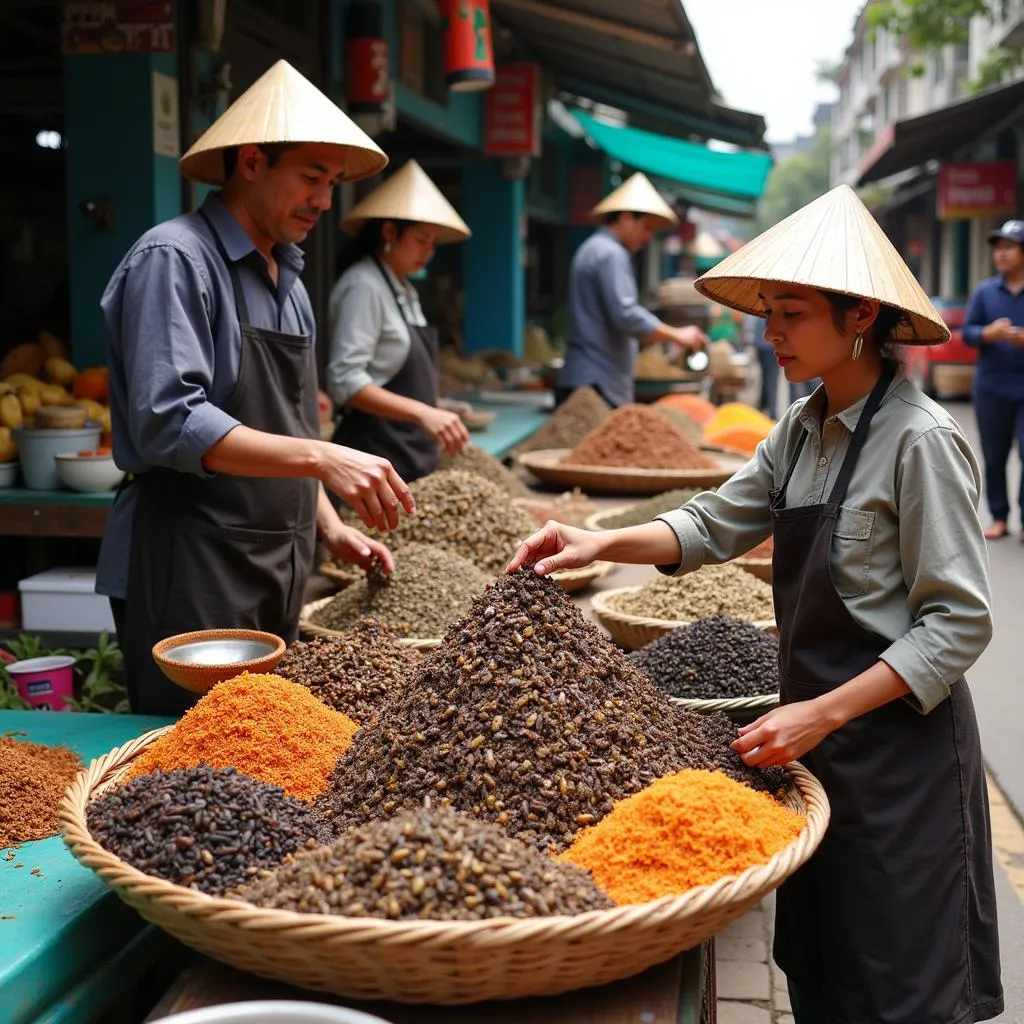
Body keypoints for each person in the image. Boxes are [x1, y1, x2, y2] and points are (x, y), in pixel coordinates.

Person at [509, 184, 1003, 1024]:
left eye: (792, 313)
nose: (769, 332)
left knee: (900, 986)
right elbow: (709, 520)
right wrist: (595, 543)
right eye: (768, 311)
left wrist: (822, 714)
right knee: (822, 970)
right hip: (816, 752)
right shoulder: (803, 428)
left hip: (896, 756)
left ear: (859, 318)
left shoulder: (919, 441)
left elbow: (958, 624)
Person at [96, 60, 416, 717]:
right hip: (192, 565)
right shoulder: (176, 260)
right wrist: (325, 459)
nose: (325, 201)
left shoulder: (290, 284)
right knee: (189, 768)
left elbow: (289, 430)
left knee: (260, 763)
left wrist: (327, 524)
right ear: (249, 163)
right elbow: (169, 421)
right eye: (310, 176)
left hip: (277, 564)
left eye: (331, 182)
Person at [328, 159, 470, 482]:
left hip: (409, 457)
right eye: (422, 240)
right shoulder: (363, 284)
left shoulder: (404, 289)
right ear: (390, 231)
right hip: (372, 457)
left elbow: (392, 374)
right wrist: (423, 412)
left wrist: (441, 407)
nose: (429, 252)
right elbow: (345, 380)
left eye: (433, 243)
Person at [556, 172, 708, 407]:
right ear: (626, 217)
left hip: (588, 377)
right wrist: (678, 335)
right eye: (646, 227)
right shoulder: (610, 253)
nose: (648, 237)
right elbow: (625, 315)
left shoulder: (593, 248)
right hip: (597, 381)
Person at [963, 218, 1024, 540]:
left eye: (1009, 247)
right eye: (998, 248)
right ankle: (999, 517)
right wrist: (988, 333)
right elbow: (967, 333)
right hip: (992, 387)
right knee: (994, 455)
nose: (1001, 254)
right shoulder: (985, 292)